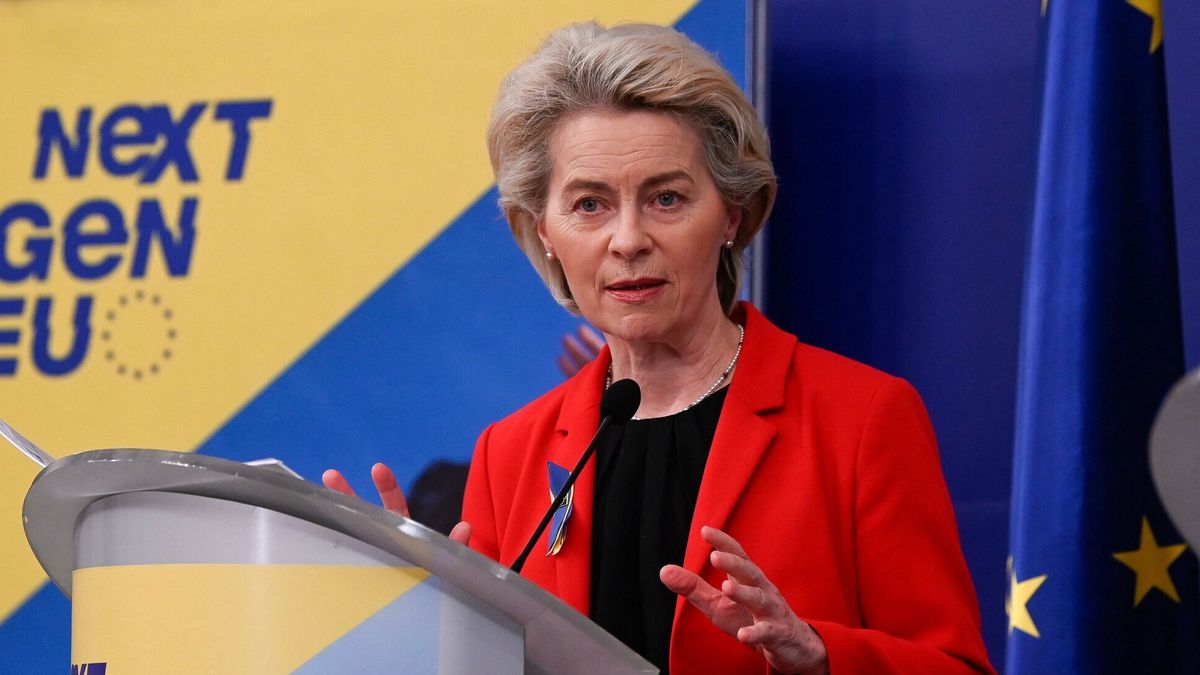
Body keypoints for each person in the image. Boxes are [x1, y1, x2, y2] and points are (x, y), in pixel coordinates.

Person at [324, 22, 994, 674]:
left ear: (731, 212)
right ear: (543, 230)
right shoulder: (511, 454)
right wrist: (421, 635)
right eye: (589, 204)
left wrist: (820, 657)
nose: (628, 238)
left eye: (666, 197)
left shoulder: (861, 419)